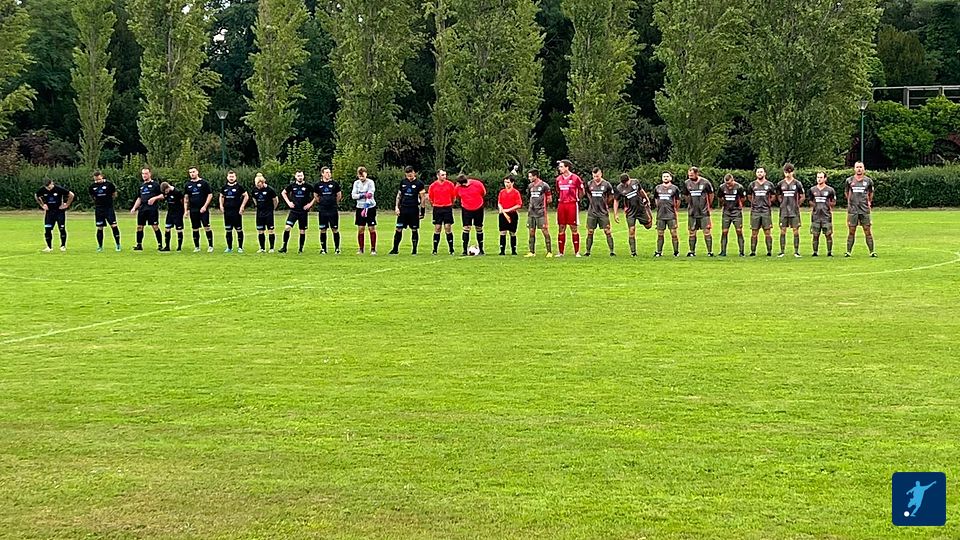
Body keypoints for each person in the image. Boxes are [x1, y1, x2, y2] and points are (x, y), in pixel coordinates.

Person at [612, 173, 652, 257]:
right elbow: (616, 201)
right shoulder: (619, 188)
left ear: (629, 179)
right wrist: (615, 214)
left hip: (641, 209)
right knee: (632, 230)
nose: (625, 184)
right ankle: (633, 252)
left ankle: (649, 214)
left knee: (648, 226)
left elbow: (641, 191)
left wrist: (647, 199)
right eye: (623, 183)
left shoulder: (635, 182)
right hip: (630, 212)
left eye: (626, 182)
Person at [390, 166, 426, 255]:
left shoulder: (419, 183)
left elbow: (422, 198)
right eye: (407, 176)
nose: (409, 177)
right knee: (398, 228)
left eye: (411, 175)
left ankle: (414, 250)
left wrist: (422, 210)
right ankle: (395, 249)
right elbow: (399, 195)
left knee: (414, 229)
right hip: (403, 209)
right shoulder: (403, 182)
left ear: (414, 173)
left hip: (413, 209)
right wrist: (396, 207)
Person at [845, 161, 876, 257]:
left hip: (864, 209)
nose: (859, 169)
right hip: (853, 210)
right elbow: (847, 193)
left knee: (867, 230)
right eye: (857, 167)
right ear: (854, 169)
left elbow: (871, 193)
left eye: (860, 167)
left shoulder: (868, 181)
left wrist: (868, 202)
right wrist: (850, 203)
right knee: (851, 231)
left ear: (864, 169)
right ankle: (848, 252)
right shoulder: (849, 180)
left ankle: (872, 252)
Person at [279, 170, 314, 254]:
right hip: (294, 211)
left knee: (302, 230)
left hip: (303, 212)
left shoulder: (308, 186)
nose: (300, 177)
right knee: (287, 227)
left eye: (301, 175)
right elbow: (283, 193)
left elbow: (316, 195)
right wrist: (288, 202)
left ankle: (300, 249)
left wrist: (310, 204)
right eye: (298, 176)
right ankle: (284, 247)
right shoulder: (292, 186)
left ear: (303, 176)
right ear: (295, 177)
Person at [583, 167, 616, 257]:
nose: (595, 178)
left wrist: (606, 203)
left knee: (607, 231)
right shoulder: (589, 183)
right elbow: (587, 192)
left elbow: (611, 196)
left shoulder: (606, 184)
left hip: (603, 212)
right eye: (594, 176)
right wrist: (591, 200)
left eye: (597, 176)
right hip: (592, 212)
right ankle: (588, 251)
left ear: (601, 174)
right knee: (590, 231)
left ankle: (612, 251)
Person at [555, 159, 584, 257]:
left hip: (572, 204)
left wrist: (577, 199)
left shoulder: (575, 178)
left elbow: (581, 191)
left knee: (573, 227)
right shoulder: (558, 179)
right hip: (562, 204)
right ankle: (561, 252)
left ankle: (577, 252)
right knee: (561, 226)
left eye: (561, 166)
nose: (559, 168)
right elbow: (558, 191)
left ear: (567, 167)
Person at [129, 167, 164, 251]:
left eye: (146, 173)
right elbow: (139, 198)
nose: (144, 175)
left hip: (152, 209)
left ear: (150, 174)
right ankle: (139, 245)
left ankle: (160, 245)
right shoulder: (141, 186)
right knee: (139, 227)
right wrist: (134, 208)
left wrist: (154, 198)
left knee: (155, 226)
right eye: (143, 174)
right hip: (142, 209)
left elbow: (162, 195)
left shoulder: (155, 185)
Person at [35, 179, 74, 252]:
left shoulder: (58, 189)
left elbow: (71, 195)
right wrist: (42, 205)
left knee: (61, 229)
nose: (48, 188)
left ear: (52, 183)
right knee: (47, 229)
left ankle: (63, 246)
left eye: (49, 186)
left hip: (59, 212)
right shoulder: (42, 190)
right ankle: (49, 247)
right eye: (47, 187)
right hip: (49, 213)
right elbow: (36, 196)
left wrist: (67, 204)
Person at [683, 166, 714, 257]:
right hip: (692, 212)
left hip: (704, 212)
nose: (690, 177)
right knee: (692, 232)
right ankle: (692, 251)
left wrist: (708, 205)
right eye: (689, 175)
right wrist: (690, 204)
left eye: (692, 175)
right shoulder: (686, 183)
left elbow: (711, 194)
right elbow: (686, 195)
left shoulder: (705, 182)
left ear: (697, 173)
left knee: (706, 231)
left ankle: (710, 252)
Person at [776, 163, 805, 258]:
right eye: (786, 172)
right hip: (784, 211)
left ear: (793, 172)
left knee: (795, 230)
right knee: (782, 230)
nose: (788, 174)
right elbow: (778, 195)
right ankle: (782, 251)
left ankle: (796, 252)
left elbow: (802, 196)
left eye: (790, 172)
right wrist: (782, 203)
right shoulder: (780, 184)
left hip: (794, 211)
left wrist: (797, 205)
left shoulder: (797, 183)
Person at [455, 173, 487, 255]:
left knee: (479, 228)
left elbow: (483, 193)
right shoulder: (458, 187)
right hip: (466, 209)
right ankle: (464, 250)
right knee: (466, 228)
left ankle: (481, 250)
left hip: (478, 208)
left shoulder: (477, 184)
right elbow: (457, 196)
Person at [88, 170, 121, 252]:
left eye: (99, 179)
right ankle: (100, 246)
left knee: (113, 225)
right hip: (99, 209)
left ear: (102, 176)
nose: (98, 180)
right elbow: (92, 196)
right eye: (96, 179)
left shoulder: (109, 184)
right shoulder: (92, 186)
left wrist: (109, 201)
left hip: (108, 208)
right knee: (100, 227)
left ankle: (118, 244)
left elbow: (114, 194)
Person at [184, 166, 214, 252]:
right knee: (195, 228)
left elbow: (210, 195)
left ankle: (210, 246)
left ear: (197, 172)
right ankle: (197, 247)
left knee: (206, 227)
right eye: (190, 172)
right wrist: (186, 210)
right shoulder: (187, 185)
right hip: (193, 210)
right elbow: (186, 198)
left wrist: (205, 206)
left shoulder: (204, 183)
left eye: (193, 172)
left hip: (203, 209)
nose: (192, 174)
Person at [524, 169, 553, 257]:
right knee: (531, 231)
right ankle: (531, 252)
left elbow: (549, 199)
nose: (529, 178)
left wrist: (542, 205)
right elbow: (529, 197)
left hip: (541, 212)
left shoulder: (544, 185)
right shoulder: (530, 186)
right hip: (531, 212)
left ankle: (549, 252)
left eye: (530, 176)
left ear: (535, 176)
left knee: (544, 230)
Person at [314, 166, 342, 254]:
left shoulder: (335, 184)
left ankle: (337, 248)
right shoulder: (318, 185)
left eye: (329, 172)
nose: (329, 174)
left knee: (335, 228)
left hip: (332, 210)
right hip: (322, 210)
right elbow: (316, 196)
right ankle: (323, 249)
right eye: (326, 172)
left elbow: (339, 195)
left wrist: (334, 203)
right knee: (323, 229)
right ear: (322, 174)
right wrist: (321, 202)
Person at [748, 167, 775, 256]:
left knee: (767, 232)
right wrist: (754, 203)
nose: (760, 173)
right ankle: (753, 251)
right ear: (756, 174)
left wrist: (768, 203)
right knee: (754, 232)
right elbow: (749, 196)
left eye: (761, 172)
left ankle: (769, 251)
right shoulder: (752, 184)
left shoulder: (769, 184)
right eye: (758, 172)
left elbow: (773, 196)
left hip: (765, 211)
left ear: (764, 173)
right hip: (755, 211)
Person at [219, 170, 249, 253]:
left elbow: (246, 196)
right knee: (228, 230)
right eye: (230, 176)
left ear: (235, 177)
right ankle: (229, 248)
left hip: (236, 211)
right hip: (227, 211)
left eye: (232, 176)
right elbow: (221, 196)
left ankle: (240, 247)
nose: (231, 178)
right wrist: (221, 205)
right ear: (227, 177)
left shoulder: (239, 187)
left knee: (239, 229)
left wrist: (242, 206)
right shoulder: (224, 187)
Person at [428, 169, 456, 255]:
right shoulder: (433, 186)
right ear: (438, 176)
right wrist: (435, 204)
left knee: (447, 227)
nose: (444, 176)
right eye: (442, 175)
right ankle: (435, 249)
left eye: (445, 175)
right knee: (437, 228)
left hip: (447, 208)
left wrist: (449, 204)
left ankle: (451, 249)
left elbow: (453, 197)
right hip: (437, 208)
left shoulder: (450, 184)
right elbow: (430, 198)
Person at [809, 171, 836, 257]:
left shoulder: (830, 190)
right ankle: (815, 252)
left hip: (826, 216)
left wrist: (828, 206)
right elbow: (810, 201)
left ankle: (829, 252)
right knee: (815, 235)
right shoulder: (812, 189)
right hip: (816, 216)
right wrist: (814, 206)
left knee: (828, 234)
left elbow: (833, 201)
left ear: (825, 179)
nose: (819, 179)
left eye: (821, 177)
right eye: (818, 177)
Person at [718, 173, 746, 257]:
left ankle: (741, 252)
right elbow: (720, 197)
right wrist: (723, 204)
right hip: (726, 212)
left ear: (733, 180)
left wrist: (738, 205)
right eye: (726, 184)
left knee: (739, 231)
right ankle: (723, 251)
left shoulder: (739, 187)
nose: (728, 185)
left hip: (736, 212)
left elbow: (743, 198)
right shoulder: (722, 187)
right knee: (724, 232)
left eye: (729, 184)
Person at [653, 172, 681, 257]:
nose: (665, 178)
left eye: (667, 176)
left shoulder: (674, 188)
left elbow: (678, 200)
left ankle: (676, 252)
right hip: (660, 215)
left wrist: (675, 209)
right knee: (660, 234)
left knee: (674, 233)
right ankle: (659, 252)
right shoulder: (657, 188)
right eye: (664, 176)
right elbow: (656, 199)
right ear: (662, 178)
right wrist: (659, 206)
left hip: (671, 215)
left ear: (670, 178)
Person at [351, 166, 377, 255]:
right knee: (361, 228)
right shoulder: (356, 183)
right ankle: (361, 249)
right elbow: (353, 195)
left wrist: (366, 206)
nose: (361, 178)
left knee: (371, 228)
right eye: (360, 176)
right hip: (360, 207)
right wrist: (362, 195)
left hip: (370, 207)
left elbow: (370, 194)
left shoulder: (370, 182)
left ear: (366, 174)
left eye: (363, 176)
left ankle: (373, 249)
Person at [251, 173, 279, 253]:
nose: (258, 186)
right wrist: (257, 205)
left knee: (270, 230)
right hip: (259, 213)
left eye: (259, 185)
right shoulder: (254, 190)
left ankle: (271, 248)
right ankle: (262, 248)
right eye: (257, 185)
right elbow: (254, 198)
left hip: (268, 212)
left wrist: (273, 208)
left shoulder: (270, 190)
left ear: (263, 182)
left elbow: (276, 200)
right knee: (260, 230)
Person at [497, 174, 523, 255]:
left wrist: (508, 210)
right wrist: (501, 209)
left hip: (512, 214)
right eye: (505, 182)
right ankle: (502, 251)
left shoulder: (516, 192)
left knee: (512, 232)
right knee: (502, 232)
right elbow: (499, 202)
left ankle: (513, 251)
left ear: (512, 183)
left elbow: (519, 205)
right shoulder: (502, 192)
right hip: (503, 215)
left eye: (508, 182)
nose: (506, 184)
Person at [159, 181, 185, 251]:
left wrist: (185, 211)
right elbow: (163, 197)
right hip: (170, 212)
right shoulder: (165, 193)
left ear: (168, 187)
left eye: (166, 191)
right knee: (167, 229)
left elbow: (183, 201)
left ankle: (179, 247)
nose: (166, 193)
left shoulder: (177, 192)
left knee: (179, 229)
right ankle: (167, 247)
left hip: (178, 213)